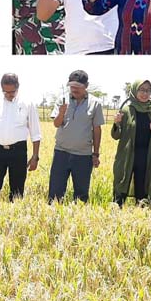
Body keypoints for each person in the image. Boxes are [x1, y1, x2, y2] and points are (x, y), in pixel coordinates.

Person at [0, 73, 41, 201]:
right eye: (5, 92)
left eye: (12, 91)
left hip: (18, 151)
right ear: (2, 89)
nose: (9, 94)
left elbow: (35, 133)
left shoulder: (28, 104)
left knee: (17, 192)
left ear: (18, 87)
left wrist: (35, 157)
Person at [48, 70, 104, 203]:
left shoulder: (95, 103)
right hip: (61, 152)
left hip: (83, 156)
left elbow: (97, 130)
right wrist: (61, 112)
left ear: (86, 86)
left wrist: (95, 154)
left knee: (81, 195)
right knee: (55, 193)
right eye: (72, 86)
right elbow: (56, 124)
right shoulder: (62, 100)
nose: (74, 89)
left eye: (78, 87)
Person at [111, 79, 151, 206]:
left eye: (148, 90)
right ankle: (117, 209)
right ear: (134, 90)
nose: (145, 93)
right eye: (142, 90)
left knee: (143, 183)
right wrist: (117, 123)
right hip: (126, 155)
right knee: (122, 180)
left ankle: (142, 210)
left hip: (146, 155)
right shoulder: (127, 109)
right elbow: (116, 135)